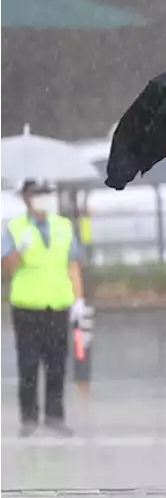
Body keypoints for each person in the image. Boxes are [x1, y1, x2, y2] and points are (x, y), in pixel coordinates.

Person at [0, 181, 87, 438]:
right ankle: (28, 417)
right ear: (26, 198)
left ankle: (54, 416)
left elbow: (73, 265)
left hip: (58, 304)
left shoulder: (63, 226)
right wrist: (19, 250)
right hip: (27, 306)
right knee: (28, 363)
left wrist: (79, 299)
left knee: (57, 363)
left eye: (46, 194)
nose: (43, 199)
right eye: (37, 194)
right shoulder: (15, 229)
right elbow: (6, 270)